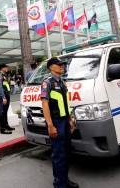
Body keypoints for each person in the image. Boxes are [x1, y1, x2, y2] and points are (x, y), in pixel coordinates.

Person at [41, 57, 78, 188]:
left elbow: (65, 104)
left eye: (62, 65)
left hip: (65, 121)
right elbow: (45, 105)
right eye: (59, 65)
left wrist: (70, 120)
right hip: (55, 122)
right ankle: (59, 184)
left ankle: (64, 179)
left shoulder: (61, 83)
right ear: (51, 67)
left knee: (67, 152)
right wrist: (50, 125)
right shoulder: (47, 83)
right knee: (59, 154)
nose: (62, 67)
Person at [0, 63, 15, 134]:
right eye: (6, 67)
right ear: (2, 68)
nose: (7, 69)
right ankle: (2, 129)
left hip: (7, 94)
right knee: (2, 111)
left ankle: (6, 126)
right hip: (3, 95)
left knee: (5, 111)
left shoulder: (5, 76)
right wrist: (3, 97)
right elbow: (0, 87)